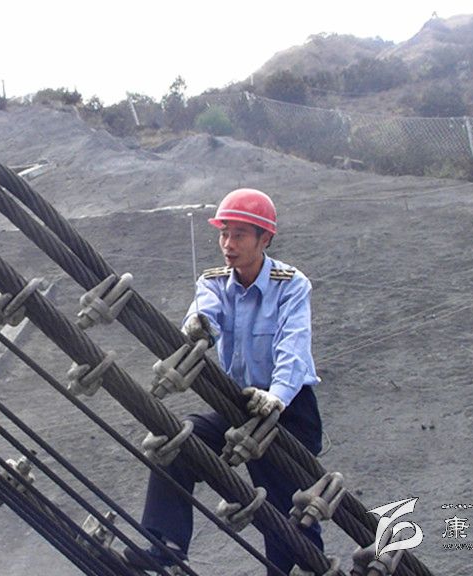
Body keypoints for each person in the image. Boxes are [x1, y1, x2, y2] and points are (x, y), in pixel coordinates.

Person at [125, 188, 324, 575]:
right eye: (224, 234)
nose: (228, 244)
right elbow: (206, 314)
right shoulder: (214, 281)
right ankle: (165, 544)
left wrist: (277, 397)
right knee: (176, 443)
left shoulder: (290, 285)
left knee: (284, 509)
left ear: (264, 239)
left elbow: (293, 349)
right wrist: (198, 328)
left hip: (288, 410)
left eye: (239, 235)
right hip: (237, 404)